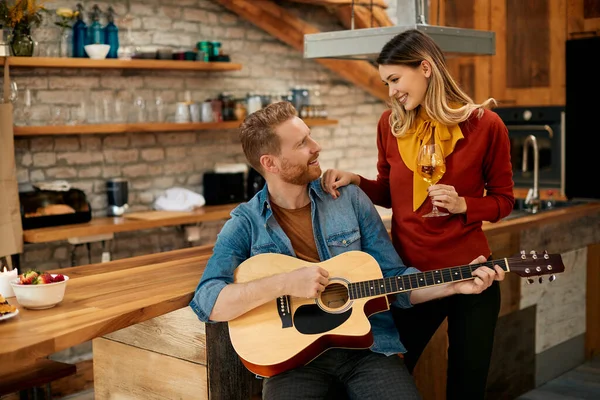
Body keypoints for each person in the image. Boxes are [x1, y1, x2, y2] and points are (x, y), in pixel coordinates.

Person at [189, 101, 506, 400]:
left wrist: (454, 285)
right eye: (301, 144)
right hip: (291, 364)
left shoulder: (349, 199)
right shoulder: (245, 223)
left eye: (310, 136)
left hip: (368, 350)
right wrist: (284, 283)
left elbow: (394, 279)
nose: (316, 147)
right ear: (269, 163)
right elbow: (207, 301)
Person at [321, 29, 515, 400]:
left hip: (471, 272)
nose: (390, 90)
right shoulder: (389, 125)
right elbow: (392, 194)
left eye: (395, 79)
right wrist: (356, 181)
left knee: (467, 387)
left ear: (425, 68)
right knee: (384, 379)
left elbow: (505, 201)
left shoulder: (487, 126)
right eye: (385, 82)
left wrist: (463, 205)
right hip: (411, 283)